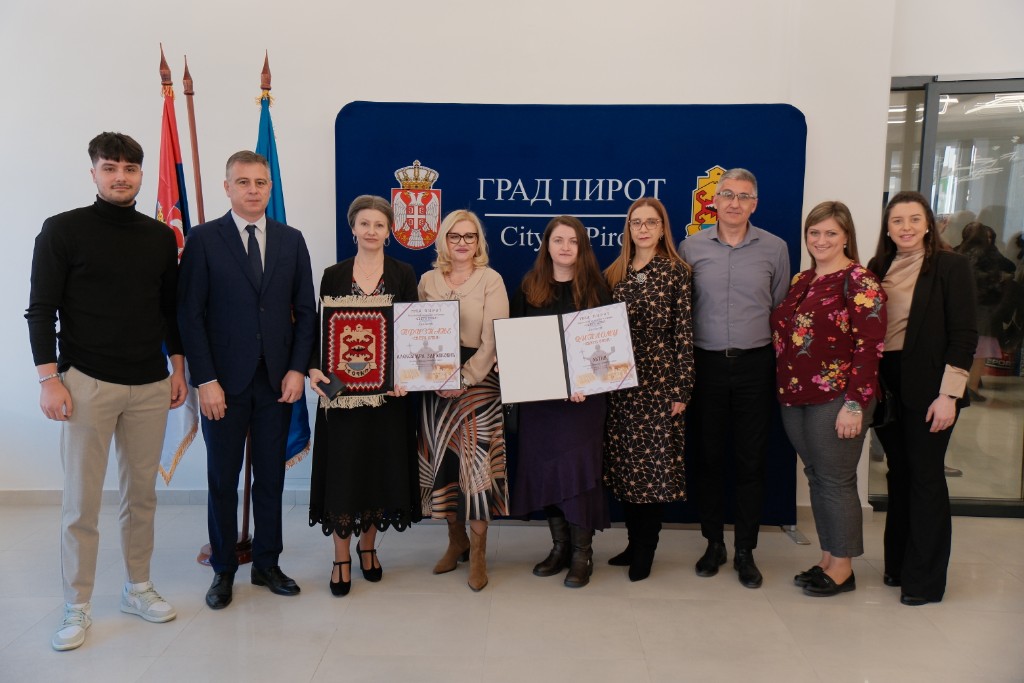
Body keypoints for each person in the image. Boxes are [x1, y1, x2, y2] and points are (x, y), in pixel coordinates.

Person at [26, 132, 186, 651]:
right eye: (110, 167)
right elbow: (40, 310)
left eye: (130, 169)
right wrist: (49, 379)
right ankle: (77, 604)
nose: (121, 176)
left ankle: (137, 587)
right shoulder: (62, 230)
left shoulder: (159, 237)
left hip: (150, 383)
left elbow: (170, 310)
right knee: (81, 503)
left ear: (140, 175)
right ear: (93, 172)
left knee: (142, 497)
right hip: (85, 384)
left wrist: (177, 367)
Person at [177, 150, 317, 610]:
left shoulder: (291, 240)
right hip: (223, 384)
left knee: (270, 479)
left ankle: (267, 564)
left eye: (260, 182)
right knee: (223, 478)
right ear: (227, 187)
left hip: (277, 382)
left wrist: (296, 369)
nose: (253, 190)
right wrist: (205, 380)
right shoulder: (203, 239)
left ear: (270, 188)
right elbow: (190, 314)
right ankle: (223, 569)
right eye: (243, 182)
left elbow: (306, 311)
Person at [678, 167, 790, 589]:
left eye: (744, 196)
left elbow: (779, 306)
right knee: (708, 458)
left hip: (754, 365)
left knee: (751, 460)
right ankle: (713, 544)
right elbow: (683, 309)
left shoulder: (775, 249)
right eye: (727, 194)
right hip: (704, 364)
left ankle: (745, 549)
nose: (734, 203)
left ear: (754, 204)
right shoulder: (691, 247)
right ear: (715, 200)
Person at [770, 201, 887, 597]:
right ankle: (828, 558)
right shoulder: (803, 279)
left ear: (846, 236)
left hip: (837, 397)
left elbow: (870, 347)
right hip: (795, 394)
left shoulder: (859, 280)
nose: (821, 240)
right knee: (817, 476)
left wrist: (855, 405)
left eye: (830, 233)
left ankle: (843, 568)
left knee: (835, 480)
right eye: (814, 232)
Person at [867, 191, 977, 606]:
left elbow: (964, 335)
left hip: (933, 387)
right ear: (888, 228)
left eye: (915, 219)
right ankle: (898, 565)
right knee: (898, 474)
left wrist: (950, 394)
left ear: (929, 223)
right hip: (888, 385)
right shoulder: (878, 267)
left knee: (926, 477)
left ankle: (925, 581)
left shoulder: (951, 266)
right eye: (898, 220)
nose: (906, 227)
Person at [308, 195, 421, 596]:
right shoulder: (333, 275)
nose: (371, 231)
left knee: (377, 471)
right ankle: (340, 556)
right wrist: (313, 368)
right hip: (341, 396)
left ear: (389, 232)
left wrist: (406, 376)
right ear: (352, 228)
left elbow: (410, 331)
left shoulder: (403, 273)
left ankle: (368, 547)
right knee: (344, 472)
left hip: (388, 396)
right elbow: (319, 330)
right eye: (364, 224)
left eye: (379, 225)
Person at [509, 216, 612, 588]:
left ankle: (583, 554)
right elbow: (516, 342)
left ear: (582, 247)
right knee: (547, 472)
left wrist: (586, 381)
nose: (565, 247)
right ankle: (560, 547)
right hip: (541, 402)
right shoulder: (529, 286)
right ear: (547, 246)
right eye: (558, 240)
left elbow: (607, 348)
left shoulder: (597, 289)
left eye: (573, 241)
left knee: (578, 474)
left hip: (583, 403)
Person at [603, 197, 694, 582]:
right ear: (628, 228)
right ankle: (632, 542)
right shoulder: (614, 272)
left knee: (654, 469)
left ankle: (646, 548)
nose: (643, 228)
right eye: (636, 222)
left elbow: (684, 332)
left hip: (659, 381)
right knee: (627, 467)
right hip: (619, 384)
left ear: (662, 228)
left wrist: (682, 388)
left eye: (650, 222)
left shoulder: (676, 271)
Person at [418, 209, 509, 591]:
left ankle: (478, 555)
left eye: (469, 236)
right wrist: (431, 376)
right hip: (436, 388)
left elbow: (493, 338)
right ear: (444, 240)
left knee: (476, 470)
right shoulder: (427, 280)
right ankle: (456, 542)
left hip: (478, 385)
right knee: (445, 466)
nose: (462, 243)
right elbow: (416, 334)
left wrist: (465, 378)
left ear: (478, 242)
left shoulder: (491, 280)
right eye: (455, 236)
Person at [954, 221, 1015, 402]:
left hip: (960, 309)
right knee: (980, 351)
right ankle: (972, 386)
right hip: (983, 309)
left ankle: (958, 385)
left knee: (961, 347)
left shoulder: (956, 253)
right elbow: (1006, 270)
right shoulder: (990, 256)